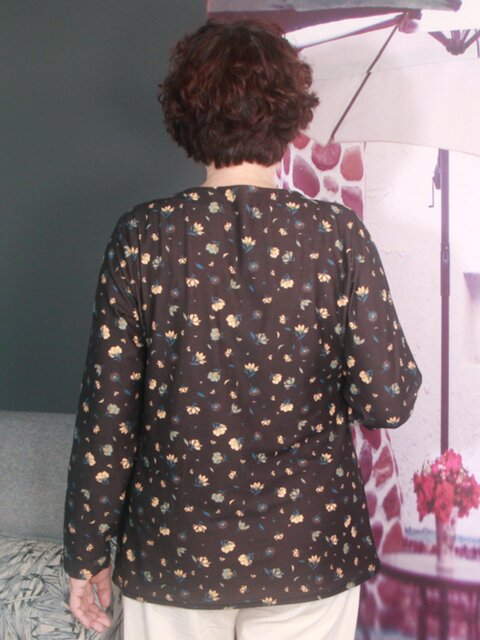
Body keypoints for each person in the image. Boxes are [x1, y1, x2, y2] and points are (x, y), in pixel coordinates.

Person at [63, 19, 422, 640]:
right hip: (309, 553)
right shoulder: (335, 237)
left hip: (174, 553)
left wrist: (85, 551)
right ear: (289, 116)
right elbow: (387, 400)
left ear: (186, 116)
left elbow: (108, 417)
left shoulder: (143, 237)